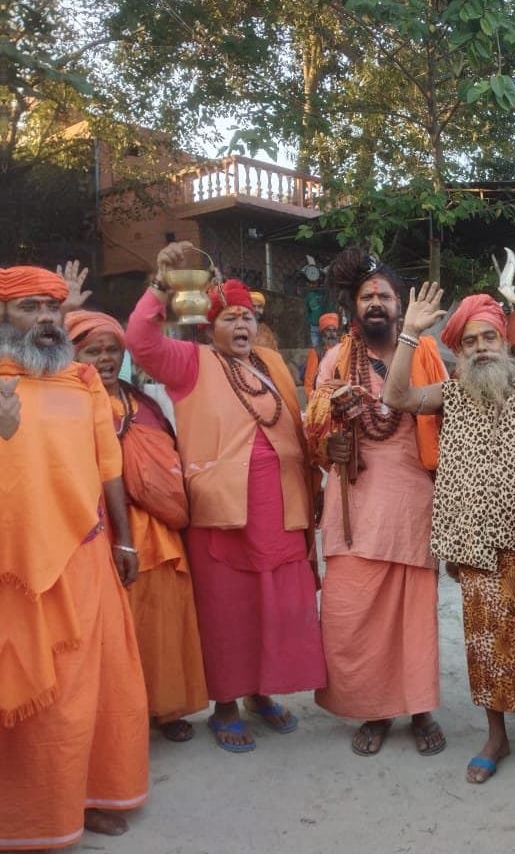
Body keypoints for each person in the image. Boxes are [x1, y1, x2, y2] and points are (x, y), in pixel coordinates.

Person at [126, 242, 326, 753]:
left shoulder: (273, 362)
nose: (242, 325)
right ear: (209, 325)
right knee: (227, 610)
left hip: (283, 507)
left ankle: (262, 694)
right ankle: (226, 705)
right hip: (222, 511)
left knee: (276, 606)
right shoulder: (190, 361)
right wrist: (161, 285)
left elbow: (297, 429)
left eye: (249, 318)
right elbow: (141, 341)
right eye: (231, 317)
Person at [382, 284, 515, 789]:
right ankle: (497, 736)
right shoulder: (450, 394)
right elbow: (395, 396)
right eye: (469, 341)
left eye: (489, 336)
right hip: (473, 544)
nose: (481, 346)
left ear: (507, 342)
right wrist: (409, 333)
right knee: (485, 646)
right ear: (457, 350)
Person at [0, 266, 149, 849]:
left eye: (50, 309)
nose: (42, 319)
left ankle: (86, 799)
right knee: (28, 695)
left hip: (83, 553)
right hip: (13, 569)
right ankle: (26, 811)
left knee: (89, 692)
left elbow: (107, 461)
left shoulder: (83, 377)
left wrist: (125, 538)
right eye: (26, 308)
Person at [304, 249, 448, 757]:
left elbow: (445, 417)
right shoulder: (336, 359)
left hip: (411, 498)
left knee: (412, 612)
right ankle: (375, 709)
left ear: (399, 304)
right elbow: (314, 427)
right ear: (353, 305)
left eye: (385, 295)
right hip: (355, 501)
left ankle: (420, 707)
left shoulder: (427, 353)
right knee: (352, 611)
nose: (377, 304)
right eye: (368, 297)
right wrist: (329, 446)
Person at [67, 310, 209, 743]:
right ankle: (120, 718)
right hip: (98, 530)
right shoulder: (69, 404)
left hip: (158, 531)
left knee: (164, 620)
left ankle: (167, 707)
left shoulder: (145, 401)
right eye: (94, 351)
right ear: (73, 354)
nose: (106, 359)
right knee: (113, 631)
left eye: (113, 350)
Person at [303, 312, 342, 399]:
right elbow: (308, 383)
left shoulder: (342, 350)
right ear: (322, 332)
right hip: (320, 398)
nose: (332, 334)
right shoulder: (316, 352)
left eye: (334, 330)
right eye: (328, 330)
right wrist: (314, 402)